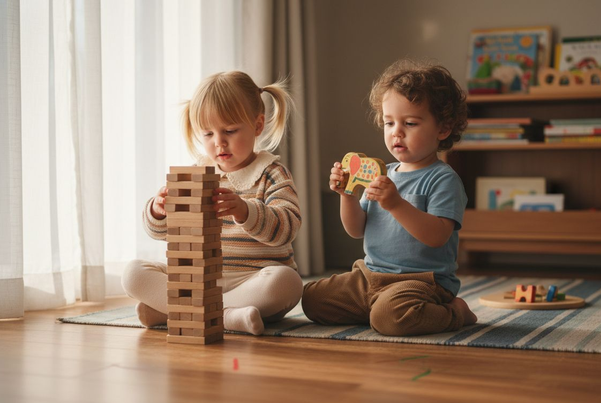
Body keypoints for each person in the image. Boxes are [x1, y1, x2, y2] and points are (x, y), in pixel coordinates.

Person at [302, 59, 477, 336]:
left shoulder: (443, 179)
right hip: (369, 275)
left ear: (442, 129)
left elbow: (437, 236)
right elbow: (356, 229)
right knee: (312, 299)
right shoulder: (382, 173)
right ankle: (376, 308)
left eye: (409, 123)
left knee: (392, 318)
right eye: (388, 122)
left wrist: (396, 204)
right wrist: (346, 194)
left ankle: (455, 312)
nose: (396, 131)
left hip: (422, 282)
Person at [122, 71, 303, 335]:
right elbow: (163, 234)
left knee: (288, 283)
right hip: (199, 280)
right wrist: (159, 211)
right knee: (133, 273)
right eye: (207, 134)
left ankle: (175, 312)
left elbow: (287, 229)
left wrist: (245, 211)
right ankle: (226, 316)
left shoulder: (272, 174)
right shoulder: (198, 173)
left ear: (257, 125)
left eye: (230, 130)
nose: (219, 142)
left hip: (252, 280)